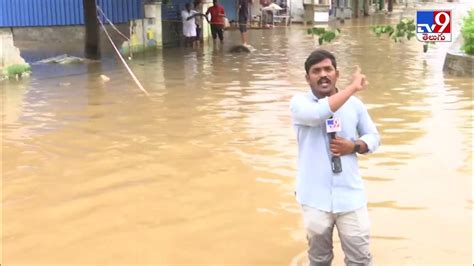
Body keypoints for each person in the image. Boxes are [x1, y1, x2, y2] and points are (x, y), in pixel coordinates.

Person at [290, 49, 380, 266]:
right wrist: (352, 88)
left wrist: (355, 145)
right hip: (314, 198)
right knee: (319, 259)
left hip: (351, 196)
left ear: (336, 74)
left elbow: (374, 136)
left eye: (328, 69)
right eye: (316, 71)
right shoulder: (299, 103)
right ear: (307, 78)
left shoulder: (355, 105)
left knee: (360, 259)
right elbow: (317, 115)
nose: (323, 74)